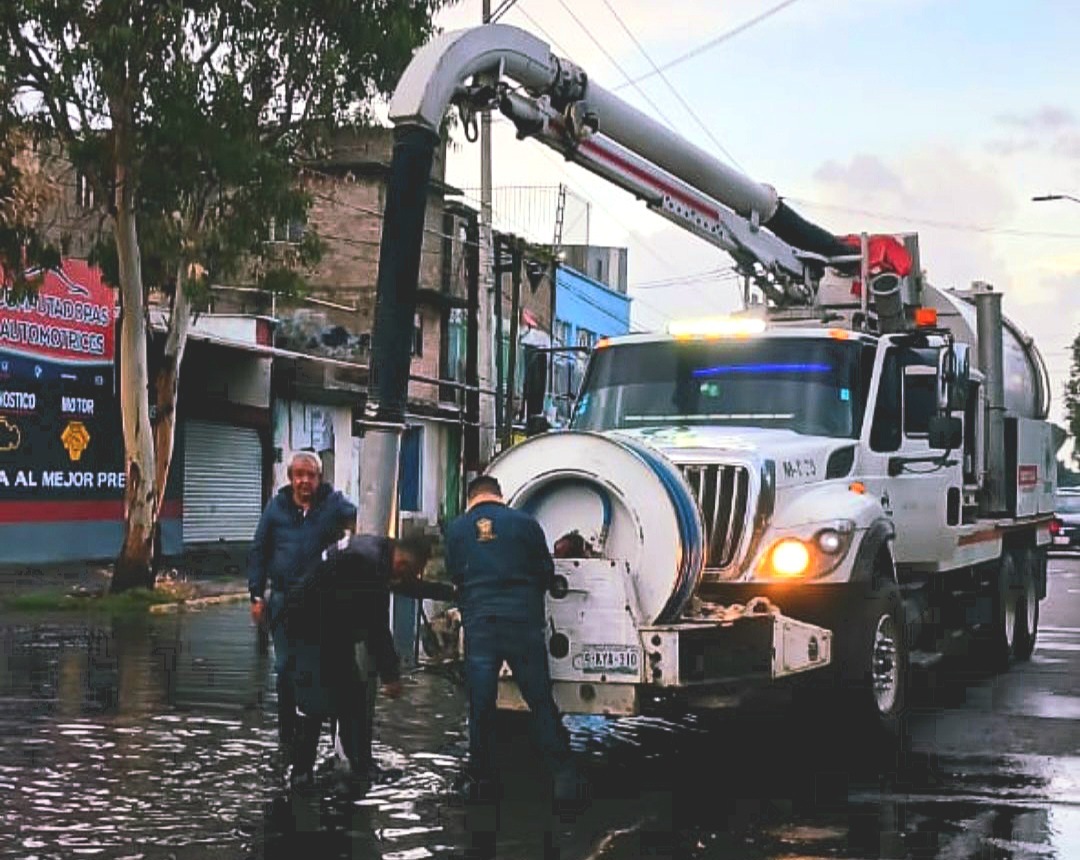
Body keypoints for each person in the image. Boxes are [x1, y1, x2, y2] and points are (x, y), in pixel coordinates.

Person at [277, 531, 453, 788]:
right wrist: (391, 676)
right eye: (414, 571)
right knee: (319, 702)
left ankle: (356, 767)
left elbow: (402, 586)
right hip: (310, 629)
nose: (413, 577)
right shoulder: (367, 565)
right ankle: (303, 776)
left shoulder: (378, 552)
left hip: (322, 626)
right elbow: (376, 626)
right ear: (403, 564)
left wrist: (450, 592)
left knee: (350, 699)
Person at [443, 475, 580, 807]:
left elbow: (455, 576)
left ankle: (482, 781)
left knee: (481, 706)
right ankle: (562, 778)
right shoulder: (526, 524)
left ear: (471, 497)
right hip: (522, 624)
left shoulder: (457, 529)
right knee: (540, 700)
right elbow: (546, 573)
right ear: (499, 495)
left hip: (481, 626)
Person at [247, 450, 357, 780]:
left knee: (324, 670)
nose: (304, 481)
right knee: (285, 669)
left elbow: (360, 522)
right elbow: (259, 550)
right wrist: (256, 594)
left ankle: (331, 739)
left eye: (310, 475)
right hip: (283, 601)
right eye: (299, 475)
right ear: (290, 477)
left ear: (319, 478)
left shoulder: (333, 504)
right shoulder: (276, 508)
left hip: (322, 604)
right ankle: (288, 736)